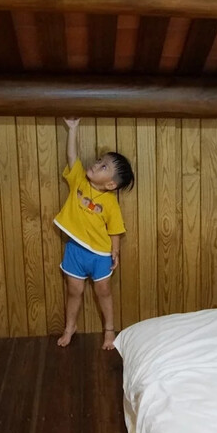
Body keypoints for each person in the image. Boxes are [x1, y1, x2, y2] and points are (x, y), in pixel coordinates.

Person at [53, 117, 134, 350]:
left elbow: (115, 229)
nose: (97, 165)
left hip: (100, 255)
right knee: (74, 290)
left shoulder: (110, 203)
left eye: (104, 167)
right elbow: (72, 156)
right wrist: (72, 130)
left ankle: (109, 329)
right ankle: (70, 327)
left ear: (110, 185)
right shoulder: (78, 179)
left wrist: (115, 252)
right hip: (75, 250)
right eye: (100, 161)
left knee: (104, 292)